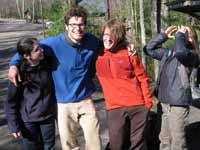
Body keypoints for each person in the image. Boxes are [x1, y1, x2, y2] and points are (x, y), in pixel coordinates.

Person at [8, 6, 102, 150]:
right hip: (63, 104)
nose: (78, 28)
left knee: (95, 140)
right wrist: (14, 65)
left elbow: (109, 45)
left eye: (81, 24)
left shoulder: (92, 41)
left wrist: (127, 46)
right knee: (69, 144)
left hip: (85, 99)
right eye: (73, 25)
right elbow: (24, 52)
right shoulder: (53, 44)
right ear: (66, 26)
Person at [96, 19, 153, 150]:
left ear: (119, 37)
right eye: (105, 34)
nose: (108, 38)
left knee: (138, 143)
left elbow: (142, 78)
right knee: (116, 143)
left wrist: (148, 103)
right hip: (115, 107)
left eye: (112, 35)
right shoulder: (97, 54)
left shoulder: (129, 53)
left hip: (137, 105)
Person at [144, 25, 200, 150]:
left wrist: (180, 35)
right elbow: (149, 49)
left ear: (191, 38)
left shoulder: (193, 55)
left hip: (178, 104)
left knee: (177, 143)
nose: (180, 33)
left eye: (185, 31)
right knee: (164, 140)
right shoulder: (169, 52)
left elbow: (181, 52)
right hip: (164, 102)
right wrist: (163, 35)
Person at [5, 37, 56, 150]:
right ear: (27, 56)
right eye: (37, 50)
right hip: (28, 122)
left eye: (41, 47)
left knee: (49, 147)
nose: (42, 50)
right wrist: (13, 125)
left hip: (47, 118)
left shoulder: (48, 64)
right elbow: (10, 102)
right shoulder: (19, 74)